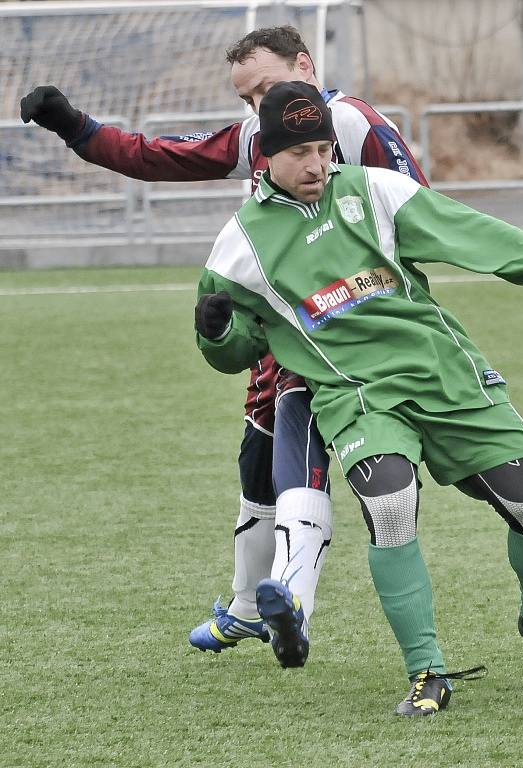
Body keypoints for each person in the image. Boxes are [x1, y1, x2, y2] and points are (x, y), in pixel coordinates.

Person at [194, 80, 523, 716]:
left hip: (445, 375)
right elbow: (237, 352)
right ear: (266, 158)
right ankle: (427, 670)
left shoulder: (375, 192)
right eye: (299, 151)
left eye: (322, 147)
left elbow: (467, 232)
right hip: (358, 397)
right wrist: (217, 329)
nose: (316, 163)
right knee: (390, 506)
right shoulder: (238, 247)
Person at [19, 26, 430, 667]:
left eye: (266, 86)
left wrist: (365, 296)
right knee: (259, 454)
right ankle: (249, 607)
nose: (256, 105)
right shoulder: (254, 136)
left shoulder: (354, 124)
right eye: (247, 96)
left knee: (323, 458)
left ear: (305, 64)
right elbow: (162, 156)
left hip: (357, 331)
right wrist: (76, 127)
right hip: (282, 326)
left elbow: (422, 212)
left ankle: (301, 605)